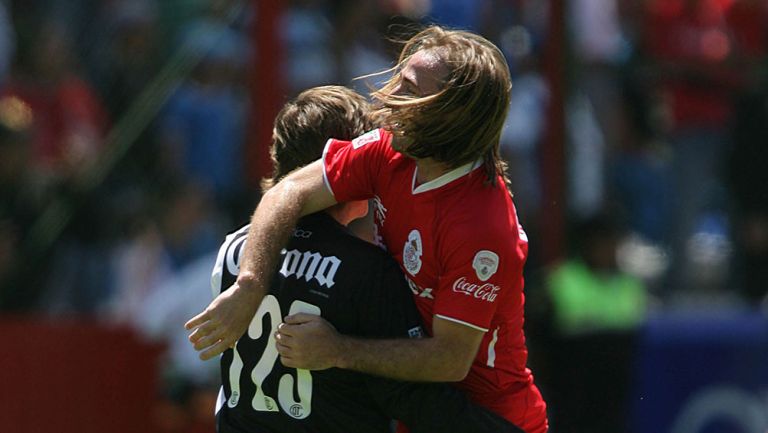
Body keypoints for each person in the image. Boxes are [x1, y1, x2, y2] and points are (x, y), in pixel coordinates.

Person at [186, 26, 548, 433]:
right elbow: (290, 189)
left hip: (482, 415)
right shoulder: (388, 148)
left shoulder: (481, 225)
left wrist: (337, 350)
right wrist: (250, 284)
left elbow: (448, 360)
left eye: (410, 91)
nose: (387, 97)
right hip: (416, 406)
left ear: (450, 117)